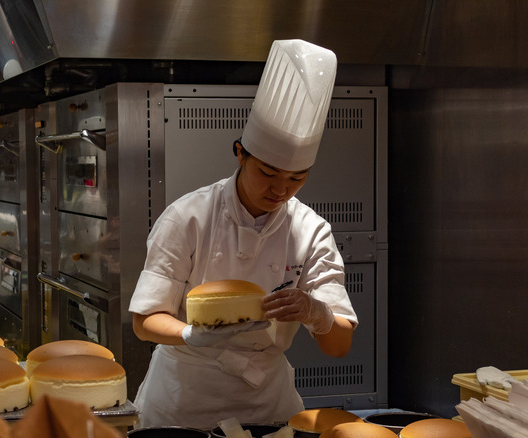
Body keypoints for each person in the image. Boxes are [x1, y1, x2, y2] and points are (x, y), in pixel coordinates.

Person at [128, 39, 358, 429]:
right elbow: (144, 321)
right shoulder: (188, 216)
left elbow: (339, 346)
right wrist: (190, 333)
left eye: (296, 179)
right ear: (240, 153)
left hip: (266, 403)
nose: (280, 190)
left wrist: (316, 314)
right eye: (267, 173)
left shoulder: (310, 230)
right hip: (185, 401)